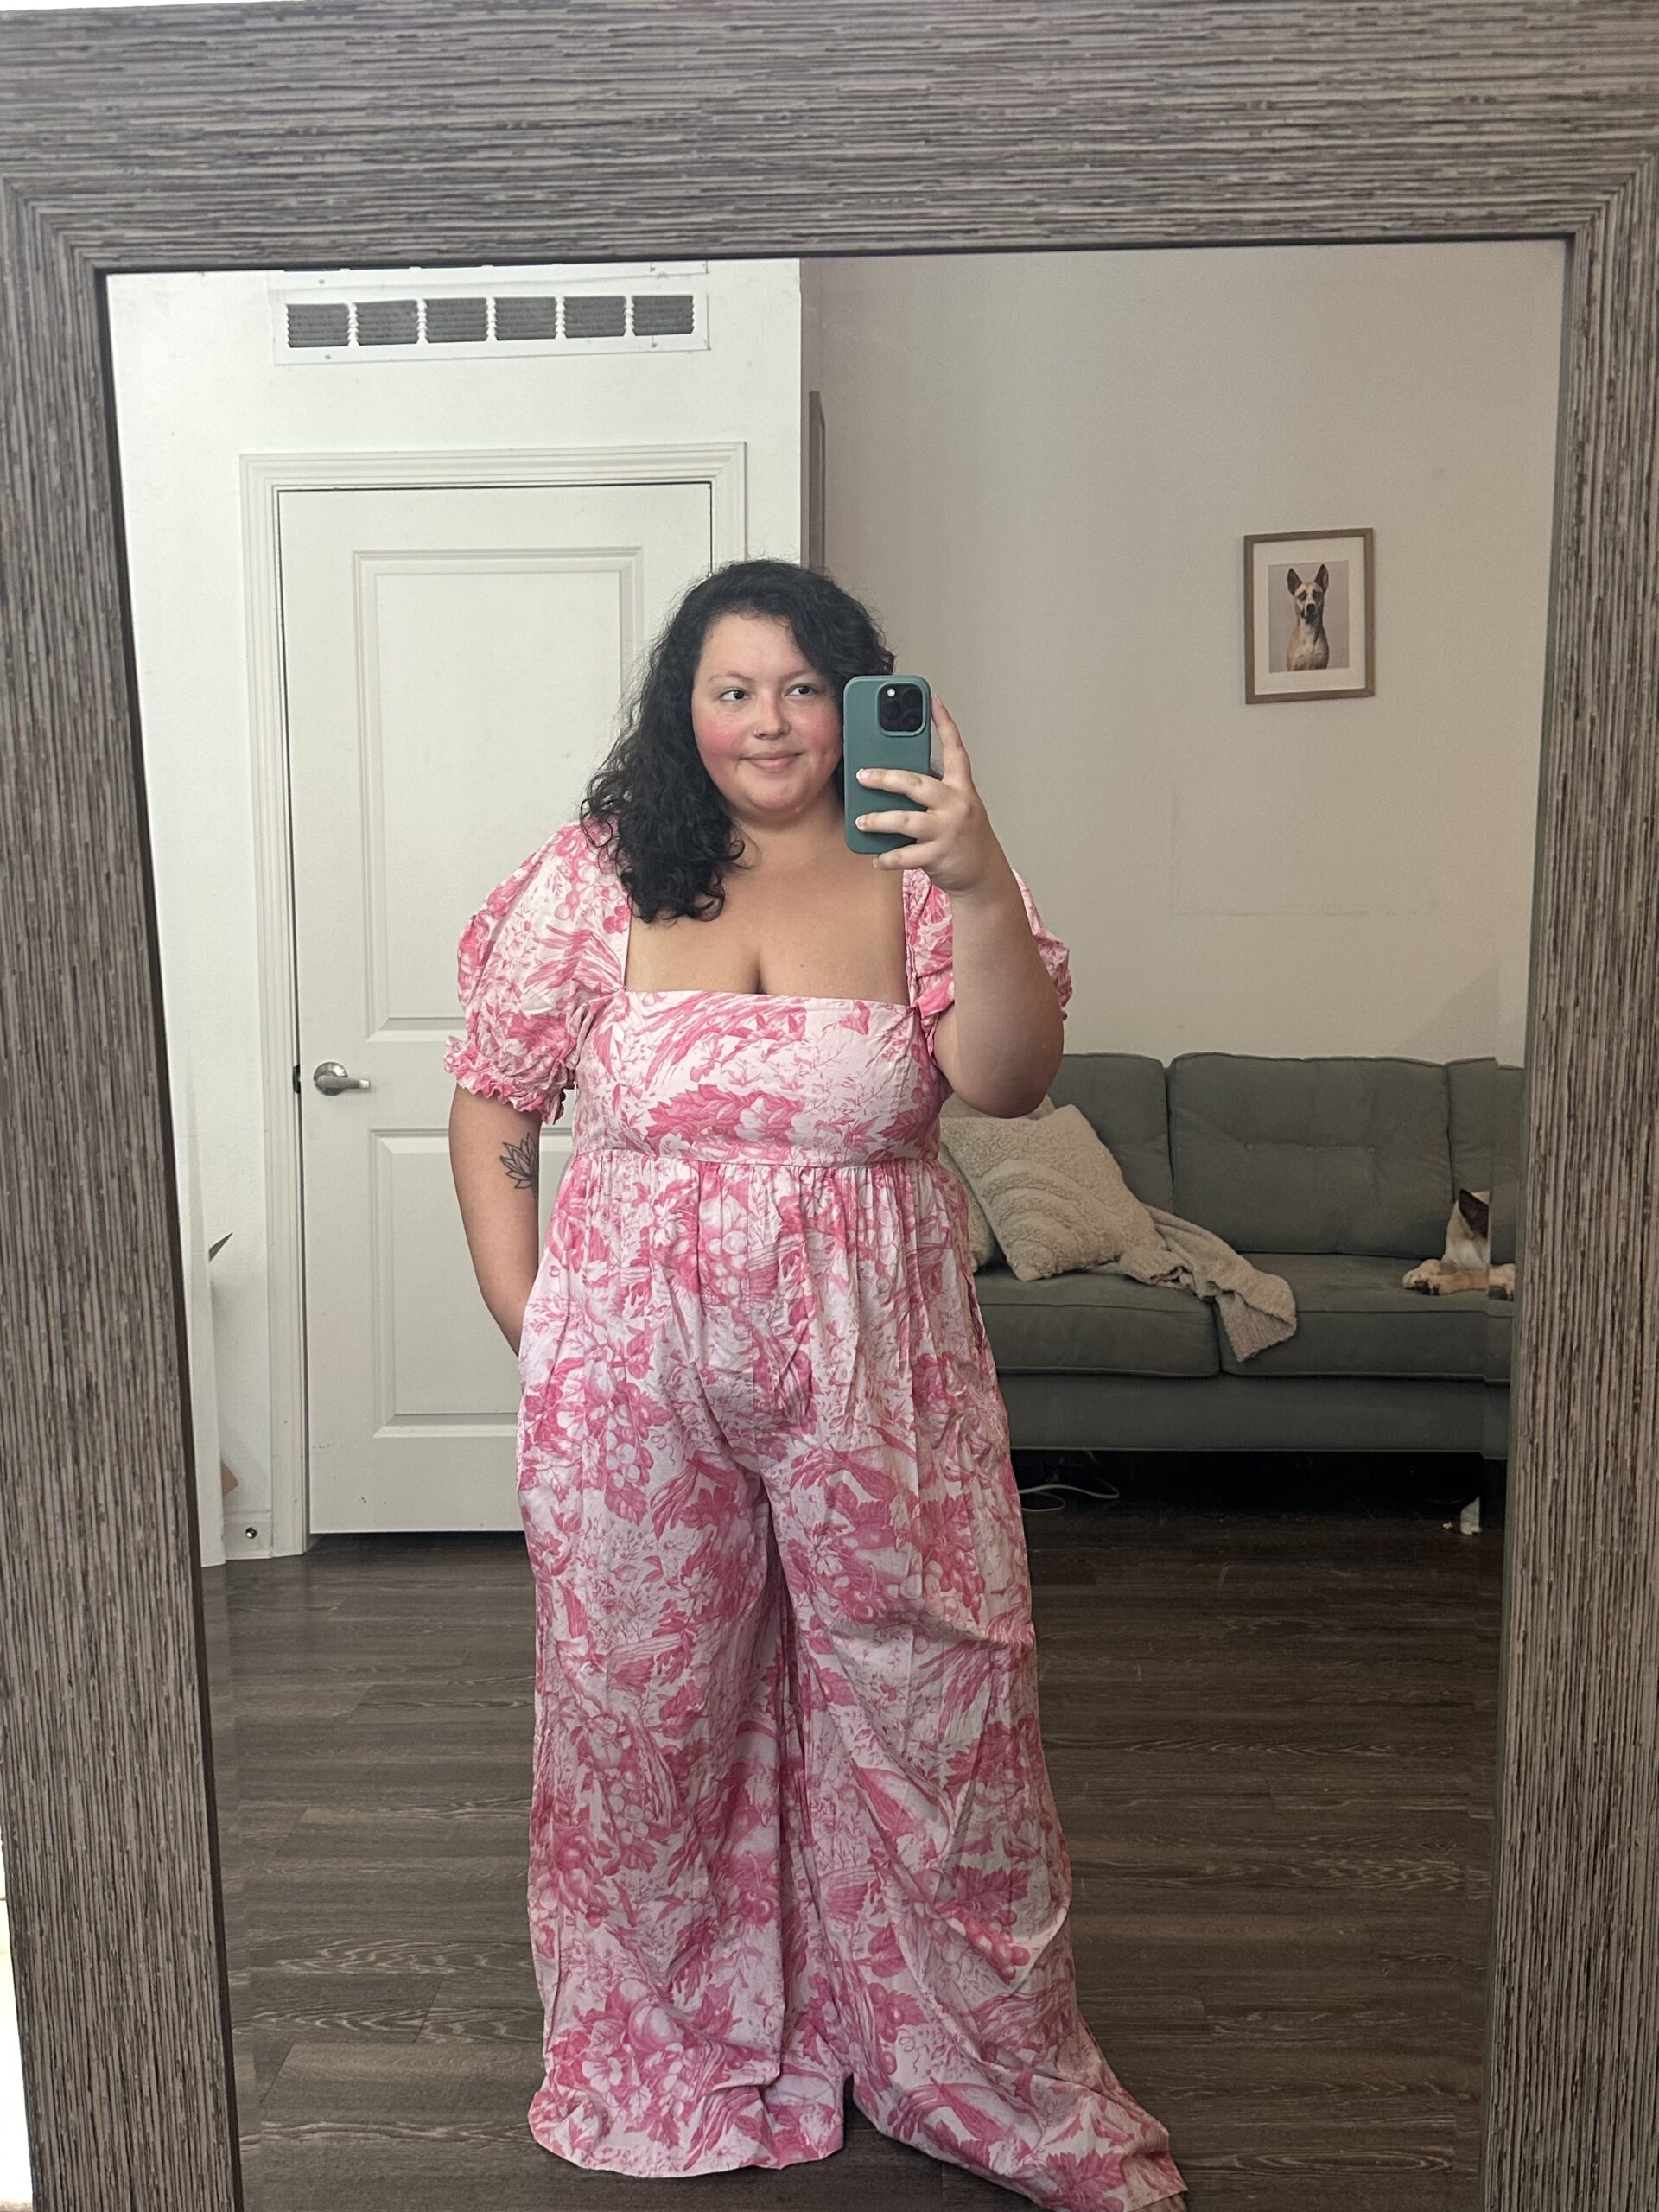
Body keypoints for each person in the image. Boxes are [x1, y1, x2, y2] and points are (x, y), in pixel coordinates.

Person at [444, 558, 1188, 2211]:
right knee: (644, 1713)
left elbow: (1005, 1078)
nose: (765, 722)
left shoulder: (918, 869)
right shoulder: (599, 875)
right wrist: (533, 1310)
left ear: (857, 700)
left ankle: (964, 2067)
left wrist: (982, 876)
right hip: (632, 1373)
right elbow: (495, 1098)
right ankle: (665, 2050)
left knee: (939, 1706)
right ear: (680, 709)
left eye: (799, 686)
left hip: (879, 1361)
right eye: (729, 689)